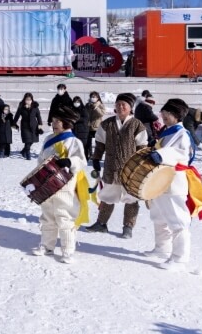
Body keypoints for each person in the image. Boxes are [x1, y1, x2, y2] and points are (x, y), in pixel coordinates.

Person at [85, 93, 148, 238]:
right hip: (111, 167)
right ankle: (101, 223)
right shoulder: (107, 124)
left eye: (123, 104)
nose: (120, 107)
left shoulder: (137, 125)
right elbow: (100, 143)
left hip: (130, 169)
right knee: (107, 196)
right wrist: (96, 158)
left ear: (130, 108)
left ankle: (128, 226)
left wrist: (140, 166)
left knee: (131, 198)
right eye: (118, 104)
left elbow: (142, 148)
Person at [146, 99, 199, 271]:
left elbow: (181, 153)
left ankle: (179, 258)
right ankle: (162, 248)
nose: (163, 117)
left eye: (167, 114)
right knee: (159, 215)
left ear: (176, 115)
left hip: (174, 180)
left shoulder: (182, 134)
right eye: (163, 113)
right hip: (160, 178)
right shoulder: (166, 131)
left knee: (177, 219)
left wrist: (161, 155)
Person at [34, 104, 87, 263]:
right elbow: (41, 158)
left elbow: (81, 161)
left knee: (64, 217)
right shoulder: (48, 139)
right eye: (54, 120)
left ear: (67, 122)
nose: (54, 123)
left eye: (58, 121)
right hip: (46, 184)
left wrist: (69, 161)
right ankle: (47, 246)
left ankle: (68, 250)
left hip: (65, 185)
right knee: (48, 215)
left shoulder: (74, 141)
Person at [12, 93, 42, 160]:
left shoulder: (35, 106)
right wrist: (13, 123)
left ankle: (23, 151)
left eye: (29, 99)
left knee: (32, 141)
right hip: (25, 126)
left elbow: (38, 116)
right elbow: (17, 115)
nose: (28, 100)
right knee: (27, 141)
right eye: (27, 99)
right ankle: (28, 155)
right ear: (24, 99)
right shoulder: (21, 106)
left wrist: (40, 124)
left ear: (32, 100)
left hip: (34, 126)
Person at [85, 92, 106, 158]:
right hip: (88, 126)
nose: (93, 98)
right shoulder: (87, 105)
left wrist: (96, 108)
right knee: (88, 143)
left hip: (97, 126)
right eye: (92, 97)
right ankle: (89, 154)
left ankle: (97, 155)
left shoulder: (100, 105)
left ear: (97, 98)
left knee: (98, 142)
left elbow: (102, 114)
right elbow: (84, 113)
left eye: (94, 97)